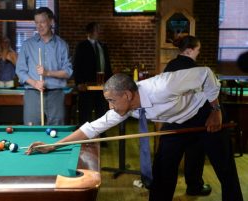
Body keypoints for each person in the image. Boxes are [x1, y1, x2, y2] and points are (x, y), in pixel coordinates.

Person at [26, 69, 243, 201]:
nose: (110, 106)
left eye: (111, 100)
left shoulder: (163, 86)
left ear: (128, 95)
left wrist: (216, 110)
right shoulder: (126, 107)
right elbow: (93, 127)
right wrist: (53, 145)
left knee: (225, 169)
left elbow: (205, 74)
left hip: (205, 112)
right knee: (162, 170)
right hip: (176, 121)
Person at [162, 35, 211, 196]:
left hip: (172, 121)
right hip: (193, 122)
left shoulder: (170, 65)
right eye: (198, 50)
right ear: (190, 50)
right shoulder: (195, 70)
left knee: (168, 163)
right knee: (195, 157)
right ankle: (194, 187)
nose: (198, 53)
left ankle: (163, 195)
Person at [16, 7, 73, 125]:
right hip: (33, 93)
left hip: (56, 93)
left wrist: (48, 73)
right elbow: (20, 71)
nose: (39, 26)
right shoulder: (28, 45)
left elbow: (68, 72)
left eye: (42, 22)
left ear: (51, 21)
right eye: (36, 22)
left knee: (57, 130)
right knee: (31, 129)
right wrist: (35, 83)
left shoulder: (62, 45)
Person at [73, 22, 112, 128]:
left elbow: (107, 66)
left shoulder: (103, 46)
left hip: (102, 87)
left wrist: (110, 83)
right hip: (86, 87)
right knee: (85, 115)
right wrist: (79, 83)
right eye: (96, 29)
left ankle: (102, 138)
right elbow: (76, 65)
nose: (99, 32)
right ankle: (84, 139)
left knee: (103, 113)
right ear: (89, 32)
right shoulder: (82, 46)